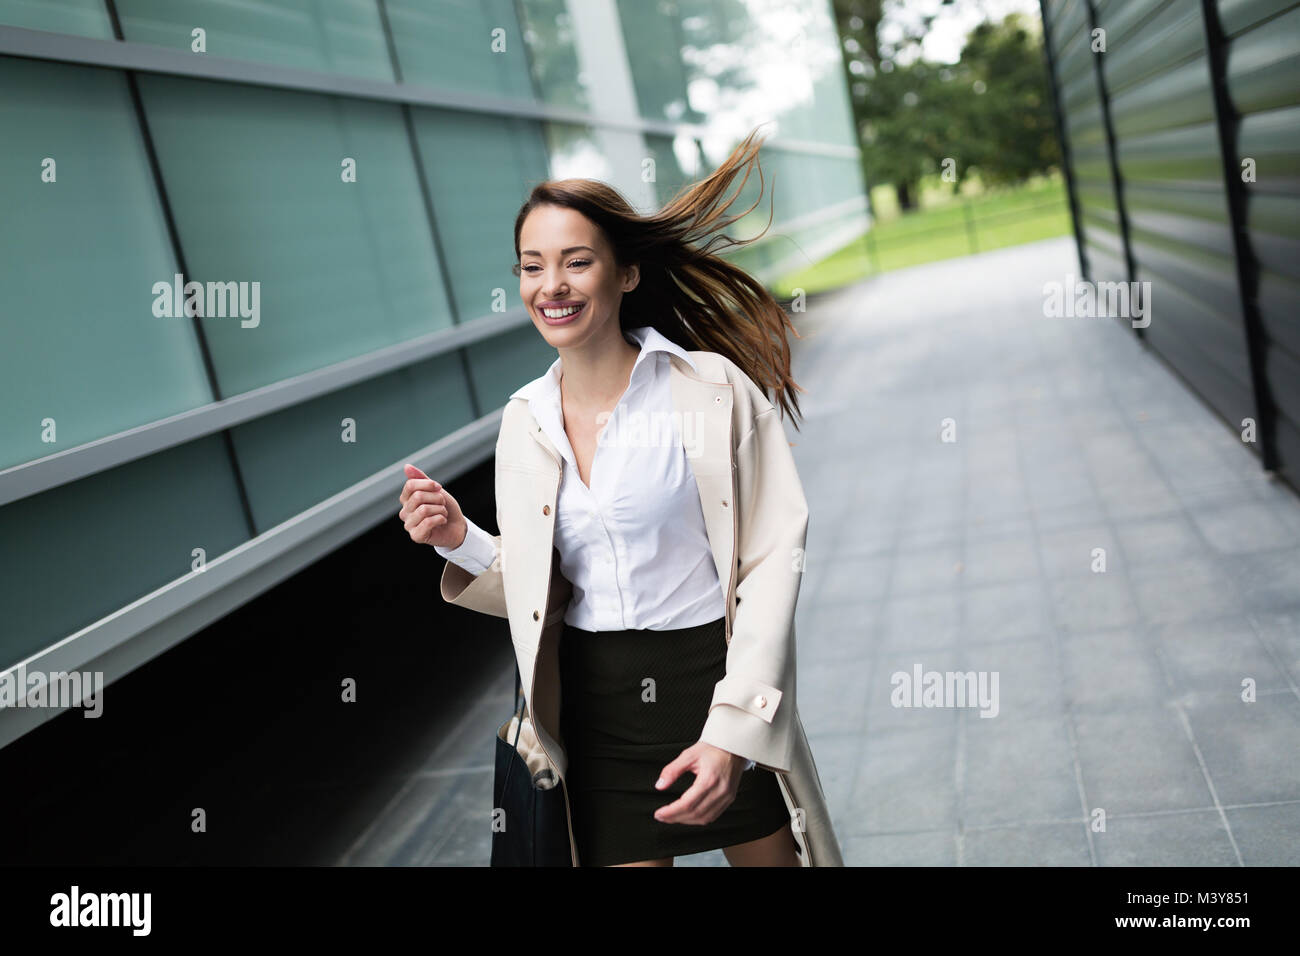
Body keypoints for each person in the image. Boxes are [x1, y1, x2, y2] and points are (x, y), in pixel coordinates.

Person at [399, 127, 831, 866]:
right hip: (595, 707)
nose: (551, 285)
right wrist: (458, 540)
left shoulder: (710, 390)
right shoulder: (523, 421)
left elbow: (770, 562)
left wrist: (734, 725)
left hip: (715, 679)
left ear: (626, 273)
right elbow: (548, 588)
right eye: (533, 267)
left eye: (576, 262)